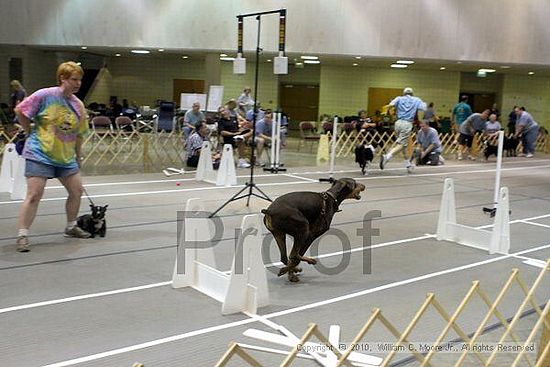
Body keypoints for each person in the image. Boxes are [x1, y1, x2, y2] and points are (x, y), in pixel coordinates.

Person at [13, 61, 91, 253]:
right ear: (62, 78)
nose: (78, 83)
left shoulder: (78, 105)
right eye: (74, 79)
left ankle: (71, 226)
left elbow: (80, 133)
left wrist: (77, 156)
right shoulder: (45, 95)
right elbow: (20, 110)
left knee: (77, 191)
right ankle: (22, 235)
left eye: (80, 80)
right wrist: (27, 128)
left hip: (65, 157)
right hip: (40, 153)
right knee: (34, 195)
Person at [379, 87, 426, 173]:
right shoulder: (416, 100)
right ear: (412, 93)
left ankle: (408, 165)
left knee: (402, 145)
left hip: (397, 123)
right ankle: (387, 157)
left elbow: (390, 105)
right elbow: (423, 108)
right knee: (402, 145)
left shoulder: (399, 98)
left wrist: (386, 111)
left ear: (404, 93)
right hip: (407, 123)